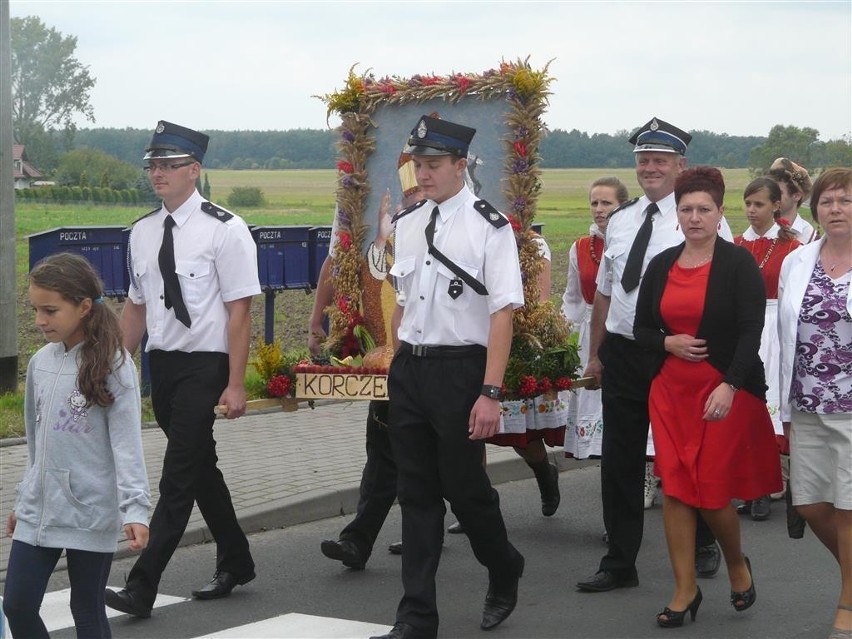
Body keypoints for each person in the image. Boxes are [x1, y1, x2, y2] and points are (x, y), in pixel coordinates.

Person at [370, 115, 525, 639]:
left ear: (461, 166)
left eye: (434, 164)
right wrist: (394, 353)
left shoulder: (491, 226)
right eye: (418, 164)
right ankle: (416, 617)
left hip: (462, 372)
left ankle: (503, 565)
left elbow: (503, 312)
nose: (424, 173)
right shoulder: (411, 223)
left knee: (465, 489)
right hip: (411, 369)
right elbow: (403, 299)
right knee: (414, 494)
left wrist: (490, 392)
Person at [105, 121, 260, 618]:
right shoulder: (142, 232)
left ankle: (141, 585)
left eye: (169, 165)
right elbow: (136, 308)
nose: (158, 173)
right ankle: (237, 558)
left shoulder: (226, 229)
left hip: (207, 363)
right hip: (164, 365)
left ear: (194, 170)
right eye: (152, 165)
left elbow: (240, 312)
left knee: (177, 476)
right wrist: (114, 367)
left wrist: (236, 383)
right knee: (199, 468)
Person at [577, 117, 731, 594]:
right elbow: (605, 293)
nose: (650, 168)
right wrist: (597, 354)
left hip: (678, 353)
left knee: (683, 454)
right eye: (643, 160)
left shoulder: (698, 216)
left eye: (660, 160)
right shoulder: (620, 220)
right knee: (618, 458)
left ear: (679, 165)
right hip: (625, 353)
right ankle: (620, 559)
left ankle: (704, 539)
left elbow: (719, 290)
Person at [634, 166, 782, 627]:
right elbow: (641, 330)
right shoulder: (661, 265)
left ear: (720, 214)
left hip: (723, 389)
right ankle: (684, 589)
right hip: (671, 391)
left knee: (712, 491)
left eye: (704, 209)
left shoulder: (738, 264)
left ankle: (736, 562)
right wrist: (667, 342)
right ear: (676, 215)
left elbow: (749, 332)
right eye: (686, 209)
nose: (695, 217)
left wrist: (730, 384)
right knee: (676, 488)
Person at [3, 253, 150, 639]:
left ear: (84, 307)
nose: (39, 320)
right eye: (35, 309)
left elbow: (127, 444)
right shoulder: (40, 363)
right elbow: (37, 442)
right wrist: (25, 497)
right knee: (16, 605)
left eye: (50, 310)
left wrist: (135, 508)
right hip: (40, 509)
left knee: (86, 610)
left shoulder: (115, 366)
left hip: (90, 510)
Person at [316, 184, 423, 569]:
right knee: (382, 456)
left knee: (437, 465)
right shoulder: (390, 238)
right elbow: (365, 269)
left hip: (435, 364)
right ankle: (357, 542)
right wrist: (380, 234)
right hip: (389, 361)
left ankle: (434, 532)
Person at [778, 167, 852, 639]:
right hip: (805, 401)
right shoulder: (797, 261)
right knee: (809, 504)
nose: (836, 209)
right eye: (827, 201)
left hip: (851, 407)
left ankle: (847, 603)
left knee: (846, 508)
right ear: (815, 208)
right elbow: (784, 334)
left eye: (845, 200)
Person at [734, 178, 801, 521]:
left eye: (759, 204)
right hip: (745, 329)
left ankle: (774, 485)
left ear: (776, 205)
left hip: (777, 328)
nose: (751, 210)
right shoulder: (734, 245)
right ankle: (751, 486)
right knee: (748, 407)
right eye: (747, 204)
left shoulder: (793, 248)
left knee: (773, 406)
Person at [769, 157, 818, 244]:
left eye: (778, 192)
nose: (771, 196)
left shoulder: (811, 238)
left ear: (796, 196)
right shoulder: (758, 231)